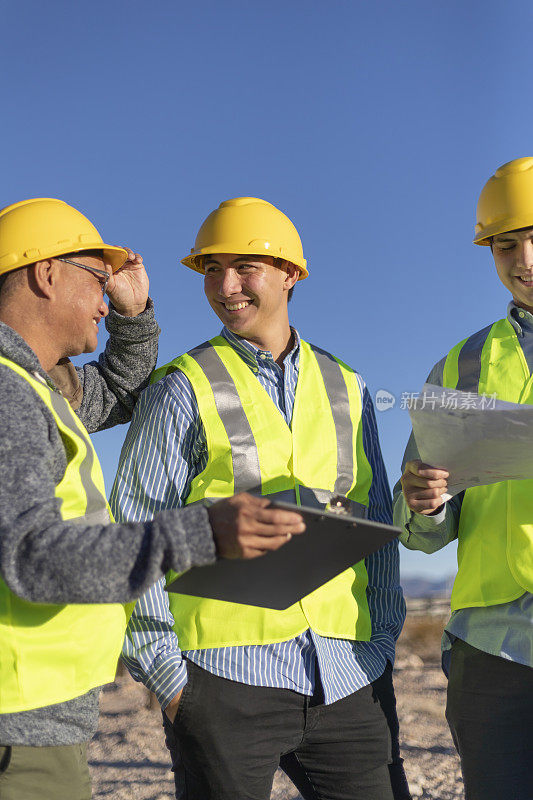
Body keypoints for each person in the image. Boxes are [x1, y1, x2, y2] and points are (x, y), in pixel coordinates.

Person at [0, 197, 303, 800]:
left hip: (37, 717)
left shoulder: (37, 385)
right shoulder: (8, 396)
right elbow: (31, 558)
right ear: (46, 273)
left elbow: (115, 392)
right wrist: (200, 533)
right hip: (15, 723)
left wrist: (134, 321)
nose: (105, 299)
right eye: (97, 279)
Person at [112, 197, 408, 800]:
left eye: (245, 266)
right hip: (221, 681)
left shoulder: (348, 387)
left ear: (290, 273)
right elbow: (135, 532)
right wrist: (168, 678)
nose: (226, 286)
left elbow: (376, 525)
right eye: (212, 270)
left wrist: (379, 644)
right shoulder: (181, 387)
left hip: (346, 673)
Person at [394, 157, 533, 800]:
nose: (524, 259)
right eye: (507, 245)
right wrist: (425, 503)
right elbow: (422, 533)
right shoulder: (462, 365)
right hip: (492, 648)